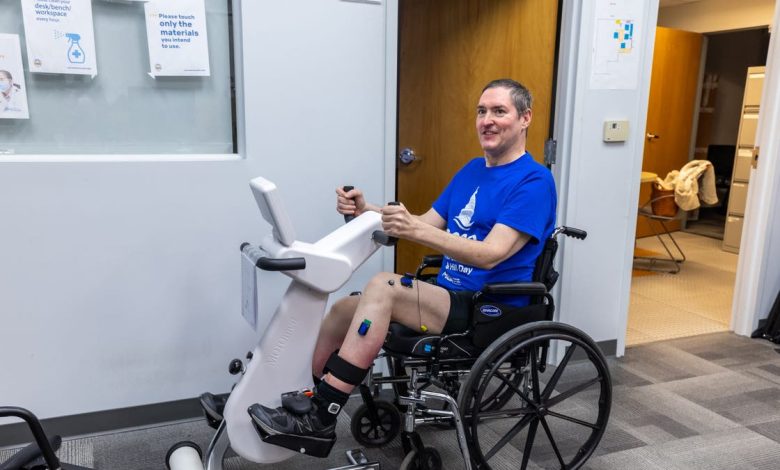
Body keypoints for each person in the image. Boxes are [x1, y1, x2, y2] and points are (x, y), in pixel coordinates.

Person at [249, 78, 557, 449]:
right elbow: (425, 223)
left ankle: (321, 418)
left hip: (490, 306)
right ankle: (305, 397)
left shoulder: (535, 181)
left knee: (382, 287)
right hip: (449, 296)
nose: (487, 120)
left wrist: (412, 229)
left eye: (499, 111)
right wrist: (367, 211)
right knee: (347, 307)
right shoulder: (473, 170)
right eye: (481, 111)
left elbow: (492, 253)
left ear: (525, 118)